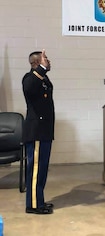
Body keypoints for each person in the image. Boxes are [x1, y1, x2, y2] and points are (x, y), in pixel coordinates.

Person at [22, 50, 55, 215]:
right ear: (36, 63)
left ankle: (38, 200)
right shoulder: (29, 78)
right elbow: (29, 88)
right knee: (35, 169)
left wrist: (42, 71)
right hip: (36, 132)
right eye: (45, 60)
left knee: (41, 169)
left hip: (44, 132)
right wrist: (42, 68)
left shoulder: (42, 79)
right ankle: (33, 205)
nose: (49, 62)